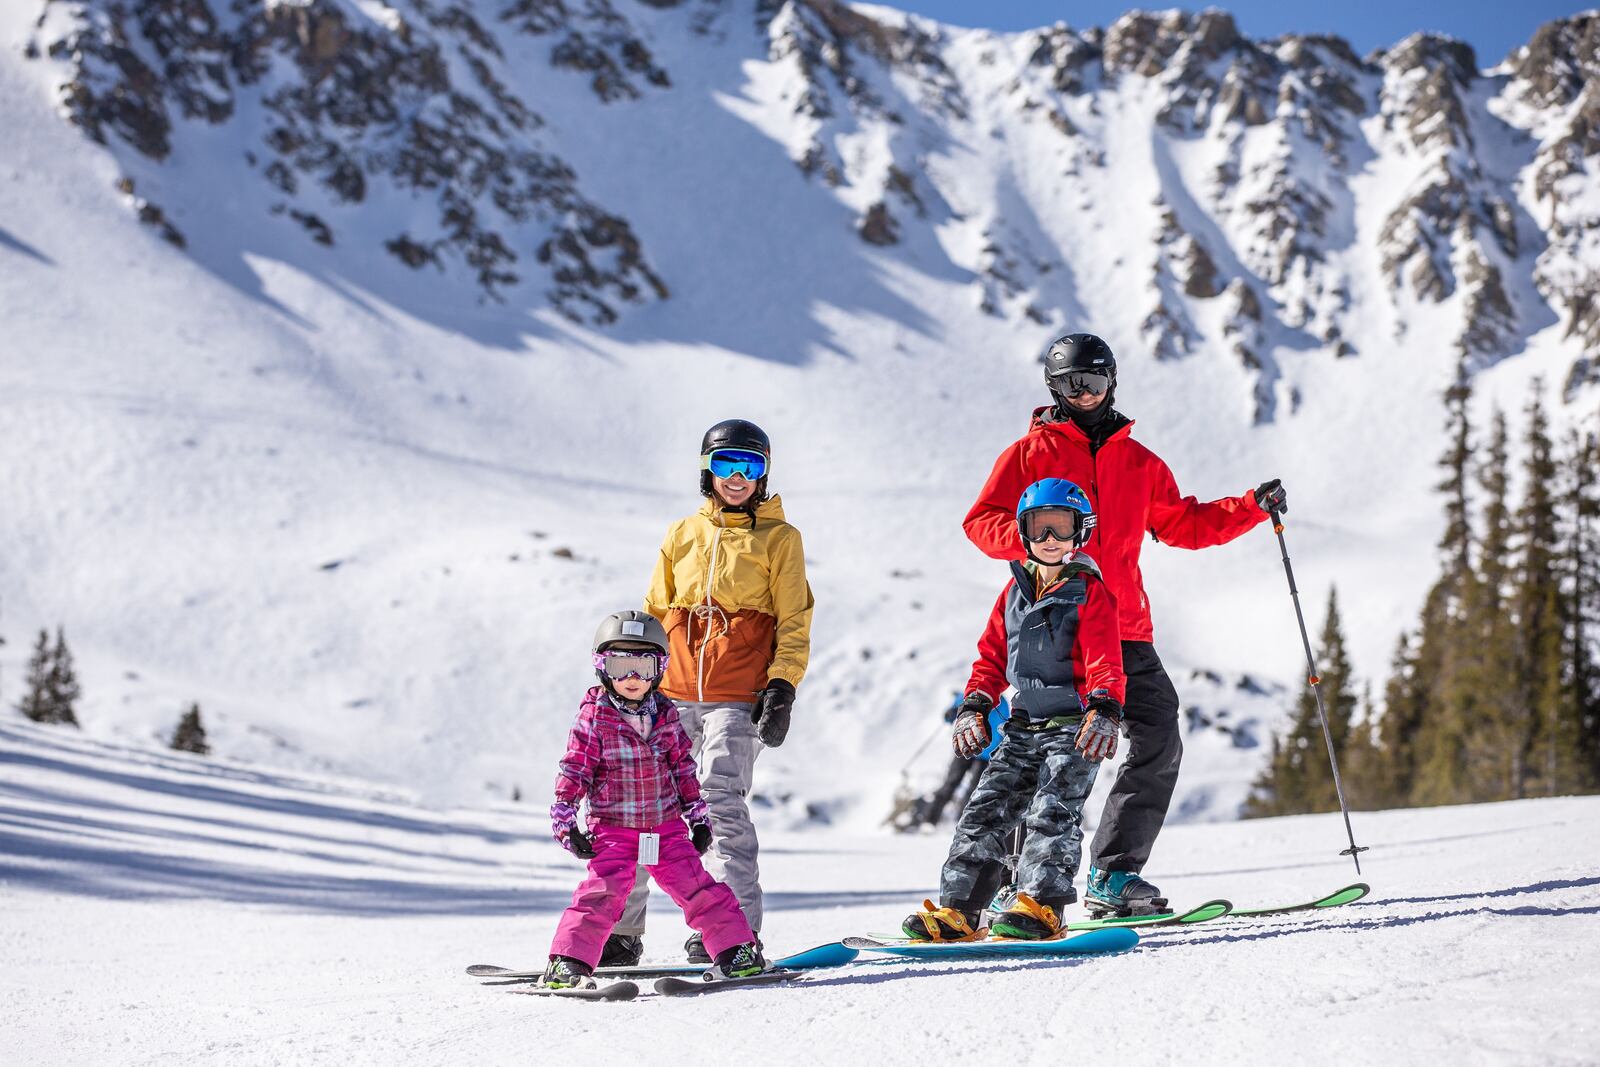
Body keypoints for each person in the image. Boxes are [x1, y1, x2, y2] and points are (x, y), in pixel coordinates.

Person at [963, 332, 1286, 916]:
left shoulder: (1138, 462)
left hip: (1125, 629)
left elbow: (1184, 523)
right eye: (1070, 384)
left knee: (1158, 737)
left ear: (1113, 383)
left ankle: (1113, 876)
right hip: (1054, 622)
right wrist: (1039, 543)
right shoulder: (1027, 454)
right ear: (1053, 388)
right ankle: (1016, 882)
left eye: (1094, 381)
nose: (1083, 393)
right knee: (1038, 751)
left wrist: (1250, 508)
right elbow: (980, 521)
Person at [606, 419, 815, 964]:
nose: (738, 477)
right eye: (726, 464)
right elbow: (654, 615)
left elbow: (794, 620)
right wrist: (634, 681)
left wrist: (782, 685)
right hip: (669, 696)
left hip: (736, 695)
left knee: (718, 800)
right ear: (707, 469)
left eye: (751, 466)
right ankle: (622, 931)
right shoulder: (681, 534)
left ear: (766, 472)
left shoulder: (780, 539)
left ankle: (730, 930)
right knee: (644, 804)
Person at [903, 479, 1125, 941]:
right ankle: (961, 911)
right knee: (986, 809)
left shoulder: (1089, 592)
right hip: (1023, 724)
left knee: (1052, 810)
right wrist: (976, 705)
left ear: (1079, 532)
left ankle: (1043, 907)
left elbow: (1106, 658)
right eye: (1038, 528)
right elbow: (990, 659)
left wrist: (1105, 705)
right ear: (1023, 533)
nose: (1049, 540)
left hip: (1073, 726)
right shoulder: (1012, 595)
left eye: (1060, 529)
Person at [542, 611, 766, 988]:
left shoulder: (665, 714)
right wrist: (565, 820)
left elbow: (681, 768)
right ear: (601, 666)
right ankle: (568, 962)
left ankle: (735, 950)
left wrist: (698, 818)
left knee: (700, 889)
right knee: (601, 895)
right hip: (613, 832)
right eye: (620, 665)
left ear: (660, 668)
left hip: (666, 830)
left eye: (643, 667)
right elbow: (575, 770)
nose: (631, 678)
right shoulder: (594, 718)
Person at [907, 692, 1013, 830]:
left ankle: (962, 821)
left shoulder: (1002, 704)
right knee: (951, 781)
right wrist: (951, 713)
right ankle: (930, 820)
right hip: (967, 745)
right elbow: (959, 706)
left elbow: (1003, 728)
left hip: (985, 753)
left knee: (974, 788)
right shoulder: (974, 693)